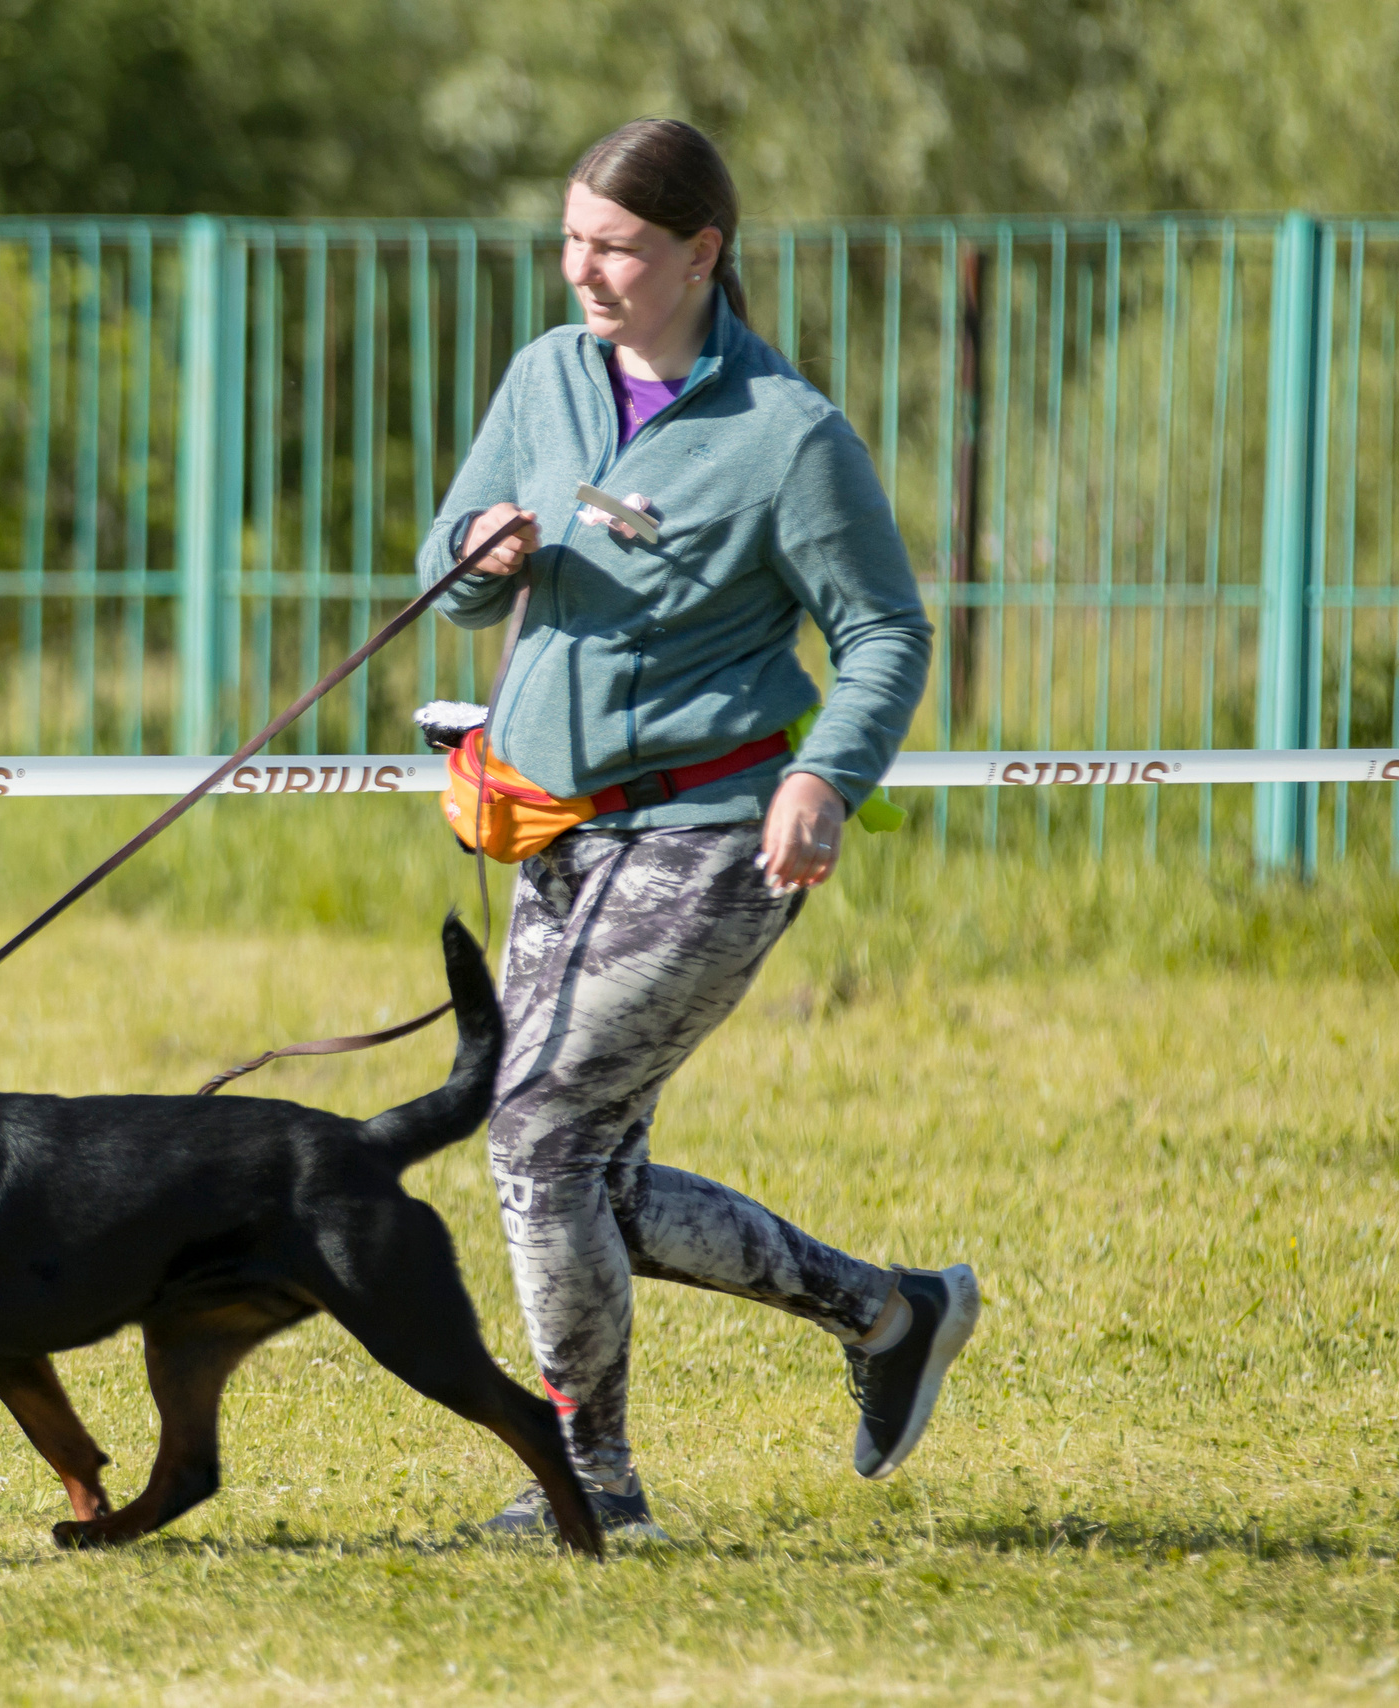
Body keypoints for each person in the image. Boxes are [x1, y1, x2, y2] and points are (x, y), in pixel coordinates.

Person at [419, 117, 977, 1540]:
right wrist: (478, 558)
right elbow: (455, 565)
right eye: (572, 240)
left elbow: (886, 633)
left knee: (540, 1137)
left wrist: (825, 779)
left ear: (701, 255)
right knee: (588, 1165)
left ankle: (592, 1488)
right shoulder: (548, 375)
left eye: (618, 247)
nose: (584, 271)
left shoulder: (788, 436)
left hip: (715, 833)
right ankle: (891, 1313)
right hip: (553, 832)